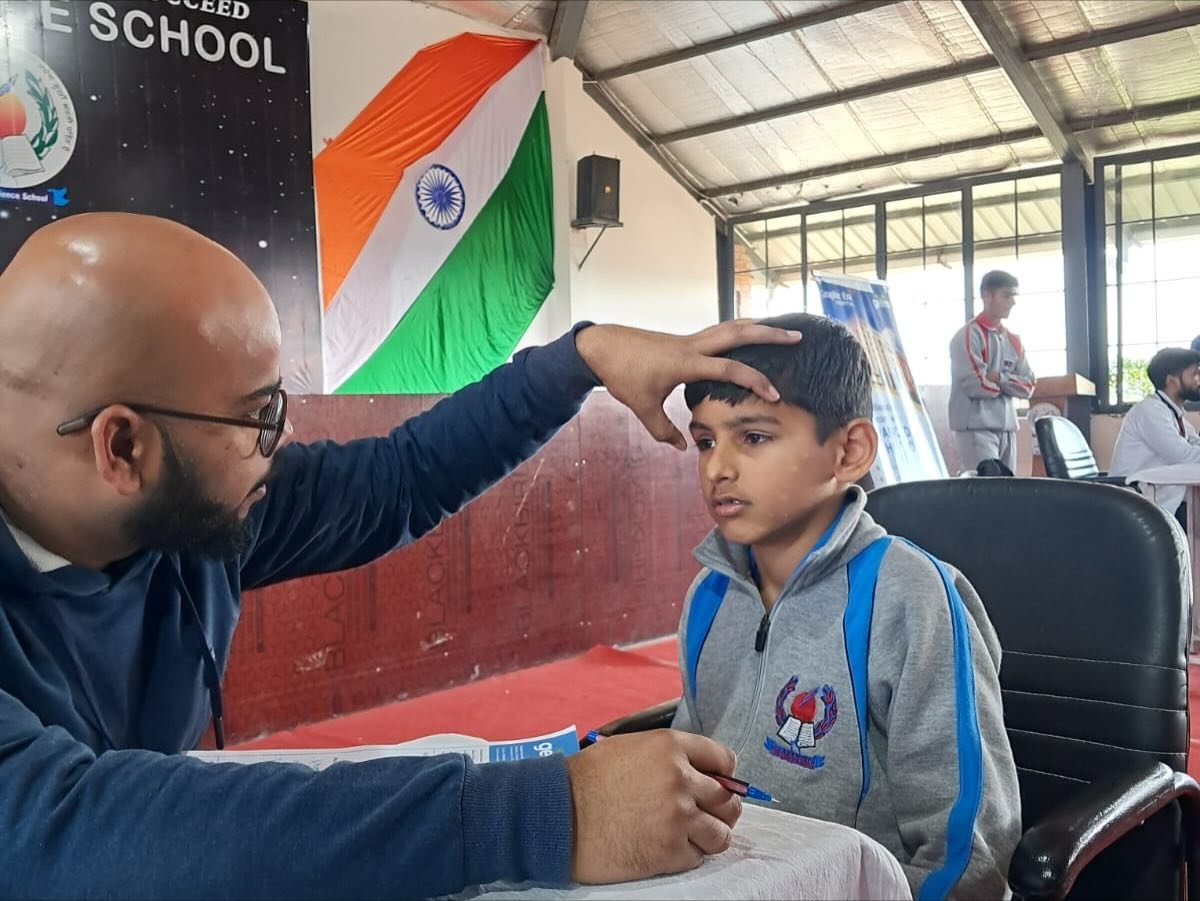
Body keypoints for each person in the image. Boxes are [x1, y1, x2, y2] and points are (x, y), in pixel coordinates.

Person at [0, 213, 807, 899]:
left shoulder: (189, 510)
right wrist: (543, 811)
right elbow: (63, 826)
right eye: (258, 415)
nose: (282, 442)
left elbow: (395, 481)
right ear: (123, 445)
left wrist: (578, 360)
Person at [671, 312, 1021, 899]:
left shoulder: (911, 599)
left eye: (753, 437)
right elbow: (691, 782)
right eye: (705, 440)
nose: (716, 468)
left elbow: (967, 855)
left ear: (849, 451)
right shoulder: (709, 596)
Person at [949, 270, 1036, 474]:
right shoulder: (968, 335)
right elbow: (976, 385)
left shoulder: (1013, 340)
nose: (1012, 302)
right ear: (987, 296)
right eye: (1006, 295)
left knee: (1007, 493)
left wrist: (999, 378)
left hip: (1007, 428)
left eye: (1014, 296)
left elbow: (1029, 386)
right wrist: (1010, 386)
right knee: (985, 492)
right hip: (976, 428)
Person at [1108, 347, 1200, 529]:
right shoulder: (1150, 411)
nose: (1198, 380)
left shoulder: (1172, 413)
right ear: (1171, 380)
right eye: (1195, 374)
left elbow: (1194, 442)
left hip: (1158, 495)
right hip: (1135, 499)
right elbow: (1185, 455)